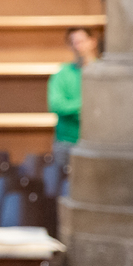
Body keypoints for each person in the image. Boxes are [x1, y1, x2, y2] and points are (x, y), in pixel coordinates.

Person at [48, 27, 100, 169]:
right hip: (67, 142)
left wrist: (76, 107)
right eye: (74, 42)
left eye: (82, 41)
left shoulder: (102, 73)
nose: (78, 46)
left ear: (92, 42)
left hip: (97, 142)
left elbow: (107, 106)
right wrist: (85, 106)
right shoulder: (62, 74)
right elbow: (57, 105)